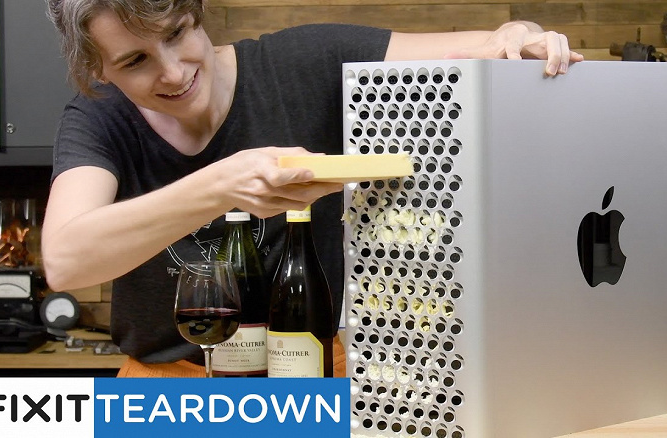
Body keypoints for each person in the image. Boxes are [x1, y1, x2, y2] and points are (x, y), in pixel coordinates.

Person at [42, 0, 583, 377]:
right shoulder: (98, 119)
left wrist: (520, 34)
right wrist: (221, 184)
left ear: (196, 15)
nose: (173, 72)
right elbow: (66, 261)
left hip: (315, 372)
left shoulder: (306, 62)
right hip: (165, 386)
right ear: (100, 70)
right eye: (135, 61)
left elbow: (495, 46)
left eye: (177, 33)